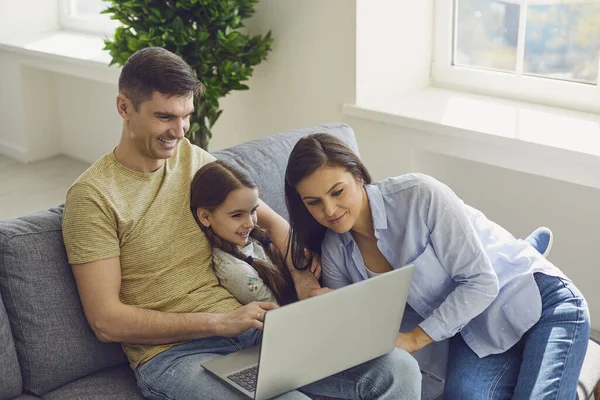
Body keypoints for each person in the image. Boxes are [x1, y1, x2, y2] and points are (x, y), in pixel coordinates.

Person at [62, 47, 422, 400]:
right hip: (174, 356)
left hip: (255, 333)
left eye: (185, 115)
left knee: (396, 368)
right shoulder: (93, 197)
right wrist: (218, 323)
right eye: (164, 117)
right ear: (124, 107)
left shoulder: (195, 160)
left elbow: (274, 224)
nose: (180, 130)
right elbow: (105, 321)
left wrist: (304, 283)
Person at [284, 133, 591, 399]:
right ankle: (523, 244)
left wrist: (413, 338)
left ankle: (523, 253)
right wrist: (306, 285)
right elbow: (352, 328)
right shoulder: (335, 252)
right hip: (475, 328)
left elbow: (481, 283)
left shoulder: (418, 195)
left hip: (535, 300)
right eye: (313, 202)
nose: (330, 210)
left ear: (359, 176)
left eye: (337, 192)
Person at [190, 159, 298, 306]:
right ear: (205, 217)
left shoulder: (258, 237)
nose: (250, 223)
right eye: (236, 215)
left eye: (253, 210)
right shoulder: (238, 273)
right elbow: (284, 314)